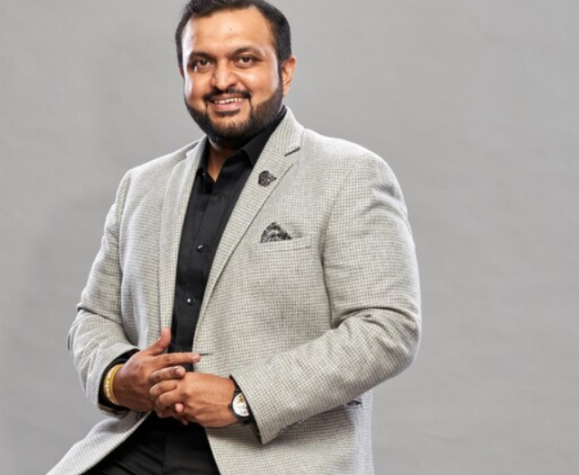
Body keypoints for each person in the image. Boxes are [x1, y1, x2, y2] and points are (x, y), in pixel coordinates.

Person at [49, 1, 421, 474]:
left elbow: (387, 327)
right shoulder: (142, 186)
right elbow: (94, 316)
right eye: (202, 63)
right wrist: (116, 378)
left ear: (285, 70)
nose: (222, 80)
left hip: (273, 456)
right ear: (184, 75)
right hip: (140, 444)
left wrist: (242, 397)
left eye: (244, 59)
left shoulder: (349, 174)